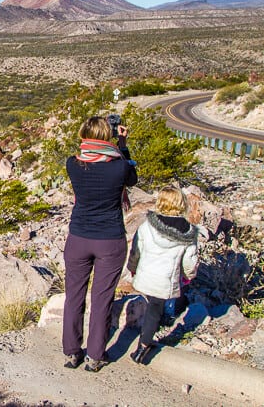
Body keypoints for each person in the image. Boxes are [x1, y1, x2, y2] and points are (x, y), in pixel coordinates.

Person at [63, 116, 138, 372]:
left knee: (74, 296)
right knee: (101, 299)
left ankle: (72, 352)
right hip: (109, 239)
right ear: (108, 135)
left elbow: (93, 161)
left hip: (78, 238)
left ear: (83, 134)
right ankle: (95, 356)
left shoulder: (73, 164)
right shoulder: (119, 167)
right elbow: (132, 178)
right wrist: (123, 143)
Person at [126, 185, 198, 364]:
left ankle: (149, 334)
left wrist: (132, 267)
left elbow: (136, 249)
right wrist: (189, 276)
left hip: (146, 275)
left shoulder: (148, 224)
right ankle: (144, 345)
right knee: (155, 309)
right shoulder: (188, 232)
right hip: (166, 278)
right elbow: (190, 261)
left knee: (152, 306)